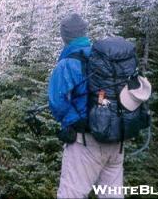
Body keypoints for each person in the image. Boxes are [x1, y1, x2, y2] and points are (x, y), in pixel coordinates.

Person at [48, 13, 124, 199]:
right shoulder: (105, 58)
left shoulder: (67, 63)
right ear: (84, 32)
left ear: (64, 36)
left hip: (86, 141)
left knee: (71, 194)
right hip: (116, 140)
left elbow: (57, 102)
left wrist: (74, 122)